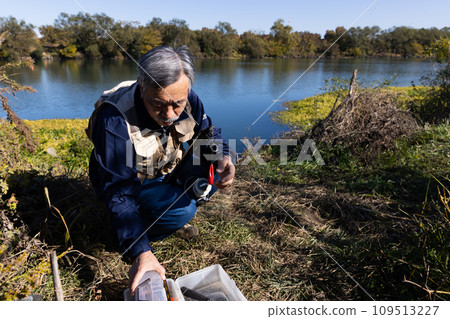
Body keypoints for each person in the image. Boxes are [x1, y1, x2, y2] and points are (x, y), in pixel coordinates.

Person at [87, 45, 235, 295]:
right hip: (133, 184)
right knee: (183, 211)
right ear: (141, 85)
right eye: (158, 104)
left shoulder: (186, 96)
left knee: (211, 162)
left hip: (165, 168)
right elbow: (118, 191)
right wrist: (141, 254)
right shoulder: (113, 118)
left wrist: (223, 158)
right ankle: (129, 238)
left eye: (177, 104)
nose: (169, 114)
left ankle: (160, 213)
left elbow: (208, 133)